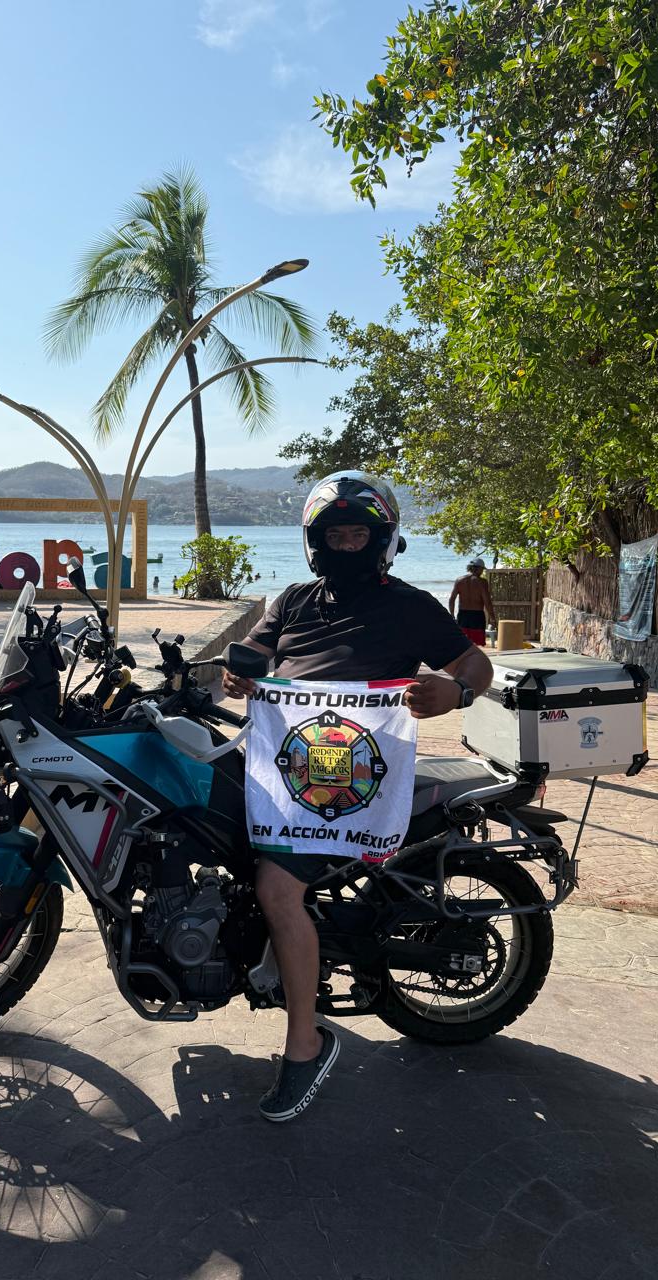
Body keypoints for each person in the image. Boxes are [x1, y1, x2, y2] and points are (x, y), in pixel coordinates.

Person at [221, 471, 493, 1122]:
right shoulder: (289, 602)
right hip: (285, 765)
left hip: (347, 779)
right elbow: (254, 654)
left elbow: (475, 667)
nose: (345, 543)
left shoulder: (412, 606)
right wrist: (237, 673)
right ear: (316, 542)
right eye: (334, 533)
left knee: (277, 890)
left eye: (357, 532)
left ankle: (304, 1046)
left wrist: (456, 694)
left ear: (380, 540)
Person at [449, 557, 496, 646]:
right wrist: (493, 618)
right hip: (477, 616)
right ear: (478, 568)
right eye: (482, 569)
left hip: (463, 615)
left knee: (463, 643)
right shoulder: (482, 582)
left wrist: (452, 615)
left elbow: (452, 599)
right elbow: (487, 602)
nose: (482, 572)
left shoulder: (459, 580)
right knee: (477, 644)